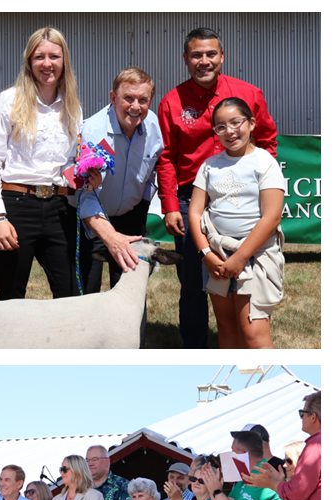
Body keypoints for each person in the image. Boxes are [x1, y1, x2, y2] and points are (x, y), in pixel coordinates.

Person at [156, 27, 278, 349]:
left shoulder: (248, 94)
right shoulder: (171, 101)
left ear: (222, 56)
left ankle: (249, 331)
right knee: (194, 282)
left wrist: (257, 184)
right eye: (197, 55)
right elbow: (166, 157)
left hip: (240, 197)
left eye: (211, 54)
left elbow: (267, 141)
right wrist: (169, 205)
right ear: (185, 59)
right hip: (189, 200)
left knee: (249, 271)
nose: (204, 61)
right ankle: (196, 348)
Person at [0, 27, 84, 300]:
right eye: (39, 57)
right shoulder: (9, 100)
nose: (47, 64)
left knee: (70, 296)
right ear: (29, 61)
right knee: (10, 297)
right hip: (16, 207)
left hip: (60, 209)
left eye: (54, 57)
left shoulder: (73, 107)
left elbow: (68, 164)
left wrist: (87, 175)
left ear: (64, 61)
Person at [73, 67, 163, 346]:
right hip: (92, 218)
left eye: (143, 100)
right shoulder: (90, 130)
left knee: (130, 290)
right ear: (113, 97)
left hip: (131, 216)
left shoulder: (154, 127)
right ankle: (85, 345)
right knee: (86, 291)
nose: (136, 107)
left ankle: (132, 346)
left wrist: (144, 202)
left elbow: (153, 171)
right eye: (128, 98)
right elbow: (80, 188)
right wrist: (104, 233)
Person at [187, 97, 284, 349]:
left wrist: (240, 257)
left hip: (254, 257)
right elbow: (195, 212)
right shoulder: (210, 165)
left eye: (235, 122)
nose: (229, 131)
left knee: (253, 333)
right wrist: (206, 254)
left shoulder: (265, 163)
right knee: (227, 328)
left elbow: (272, 216)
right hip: (218, 258)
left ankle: (268, 383)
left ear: (251, 123)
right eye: (220, 126)